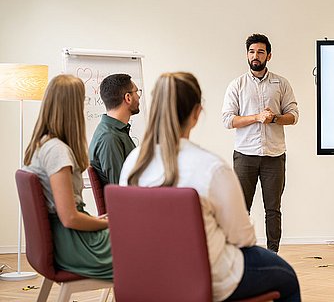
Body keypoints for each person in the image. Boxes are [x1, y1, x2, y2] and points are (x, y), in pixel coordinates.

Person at [120, 72, 300, 302]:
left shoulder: (132, 164)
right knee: (287, 276)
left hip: (148, 274)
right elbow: (243, 239)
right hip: (209, 277)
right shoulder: (211, 168)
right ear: (196, 114)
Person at [23, 74, 113, 279]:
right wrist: (109, 223)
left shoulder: (42, 146)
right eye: (83, 100)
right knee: (145, 246)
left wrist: (97, 221)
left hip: (68, 239)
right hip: (75, 244)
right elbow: (70, 217)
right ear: (73, 107)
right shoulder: (57, 151)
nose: (85, 106)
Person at [222, 33, 299, 253]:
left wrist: (274, 118)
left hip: (274, 156)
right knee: (241, 209)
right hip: (245, 155)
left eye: (260, 52)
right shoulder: (237, 85)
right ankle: (242, 253)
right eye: (252, 51)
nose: (256, 56)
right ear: (247, 55)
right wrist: (256, 117)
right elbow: (228, 119)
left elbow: (293, 116)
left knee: (273, 209)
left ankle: (273, 253)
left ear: (269, 55)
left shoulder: (281, 83)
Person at [89, 73, 140, 185]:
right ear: (128, 98)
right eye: (136, 92)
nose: (139, 96)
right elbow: (121, 191)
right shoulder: (110, 138)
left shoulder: (116, 132)